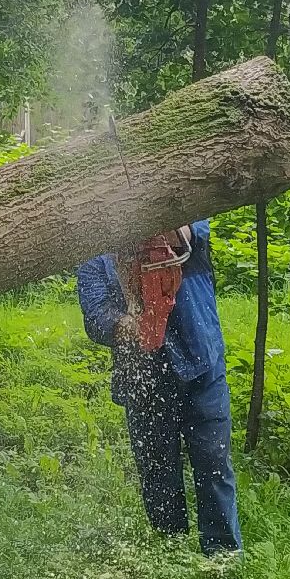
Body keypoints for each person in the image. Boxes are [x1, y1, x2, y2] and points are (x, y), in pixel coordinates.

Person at [77, 221, 242, 555]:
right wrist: (125, 325)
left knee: (213, 464)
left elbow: (194, 233)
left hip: (201, 363)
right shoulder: (97, 250)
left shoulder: (185, 225)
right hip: (145, 379)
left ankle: (222, 560)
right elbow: (95, 317)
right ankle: (171, 557)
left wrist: (160, 229)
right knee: (158, 475)